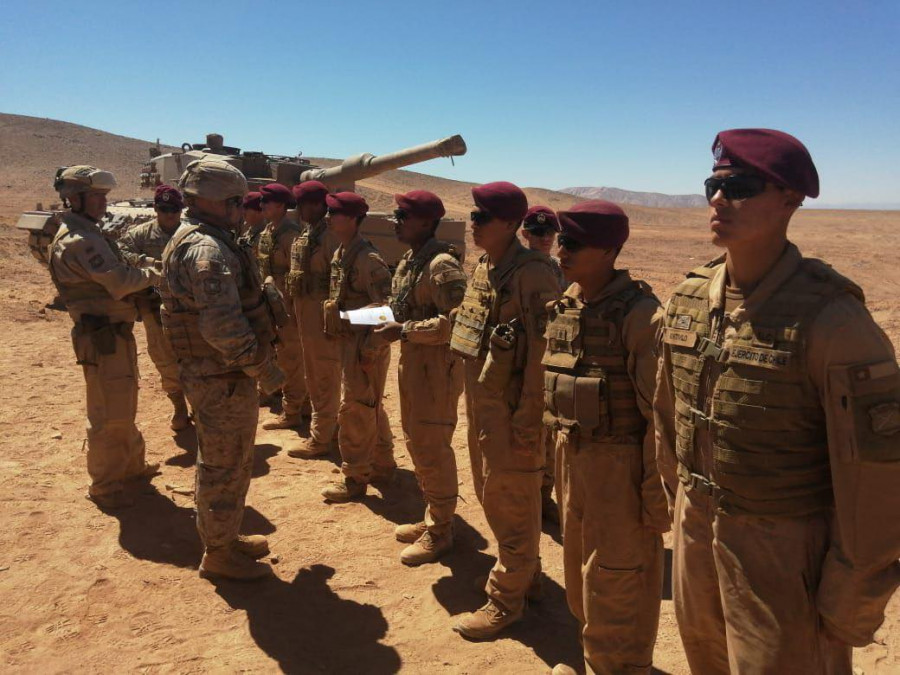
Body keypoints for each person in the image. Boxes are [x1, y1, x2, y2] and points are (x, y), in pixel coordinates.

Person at [654, 128, 900, 673]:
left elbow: (878, 473)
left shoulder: (831, 319)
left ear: (791, 199)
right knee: (707, 658)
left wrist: (856, 589)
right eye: (712, 186)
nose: (719, 200)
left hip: (783, 543)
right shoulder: (690, 297)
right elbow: (668, 409)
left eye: (739, 186)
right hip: (697, 524)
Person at [543, 200, 668, 675]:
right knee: (580, 577)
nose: (561, 250)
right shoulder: (569, 304)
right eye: (560, 240)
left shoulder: (641, 317)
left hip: (621, 470)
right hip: (572, 458)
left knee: (618, 580)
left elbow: (661, 418)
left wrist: (655, 498)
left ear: (610, 251)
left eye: (573, 243)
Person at [161, 158, 284, 580]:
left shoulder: (211, 239)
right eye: (235, 201)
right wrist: (264, 369)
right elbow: (223, 328)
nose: (239, 209)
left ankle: (225, 538)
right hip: (220, 375)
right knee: (223, 465)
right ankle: (218, 554)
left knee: (228, 460)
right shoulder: (207, 250)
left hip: (220, 373)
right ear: (218, 202)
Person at [449, 181, 560, 639]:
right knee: (490, 491)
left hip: (514, 410)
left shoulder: (533, 273)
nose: (472, 224)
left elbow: (543, 356)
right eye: (472, 215)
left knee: (512, 499)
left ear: (511, 225)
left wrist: (529, 420)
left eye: (481, 217)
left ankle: (505, 600)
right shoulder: (487, 267)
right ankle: (525, 576)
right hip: (484, 400)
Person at [47, 165, 159, 509]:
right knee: (108, 412)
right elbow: (119, 281)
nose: (103, 203)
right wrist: (154, 273)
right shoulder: (81, 240)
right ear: (75, 197)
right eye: (96, 196)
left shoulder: (89, 231)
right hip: (103, 336)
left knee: (122, 403)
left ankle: (130, 468)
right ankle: (106, 485)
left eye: (104, 196)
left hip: (112, 334)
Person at [373, 190, 468, 565]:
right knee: (417, 442)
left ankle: (441, 530)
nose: (395, 221)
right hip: (415, 363)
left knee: (432, 446)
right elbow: (399, 310)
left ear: (426, 222)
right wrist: (363, 319)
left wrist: (405, 330)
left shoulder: (441, 266)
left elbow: (457, 323)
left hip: (436, 370)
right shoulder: (411, 261)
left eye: (403, 215)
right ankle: (434, 515)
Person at [320, 191, 395, 502]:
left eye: (334, 213)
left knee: (354, 409)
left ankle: (354, 477)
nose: (328, 217)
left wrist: (347, 318)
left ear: (352, 219)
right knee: (367, 404)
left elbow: (388, 311)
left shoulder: (367, 259)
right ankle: (384, 460)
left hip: (367, 345)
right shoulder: (342, 253)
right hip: (351, 342)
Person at [118, 184, 189, 431]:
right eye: (164, 209)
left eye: (175, 209)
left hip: (191, 307)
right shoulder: (141, 234)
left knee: (197, 355)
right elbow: (121, 251)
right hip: (154, 305)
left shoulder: (191, 233)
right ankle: (179, 407)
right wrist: (149, 263)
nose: (170, 214)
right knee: (163, 357)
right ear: (156, 209)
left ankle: (202, 407)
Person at [284, 181, 343, 459]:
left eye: (304, 205)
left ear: (319, 205)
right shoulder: (307, 233)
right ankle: (323, 426)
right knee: (313, 374)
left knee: (324, 378)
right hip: (306, 317)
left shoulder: (330, 237)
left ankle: (321, 438)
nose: (299, 211)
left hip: (323, 320)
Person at [522, 204, 566, 523]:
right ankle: (522, 495)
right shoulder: (514, 268)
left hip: (551, 362)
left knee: (548, 431)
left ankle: (543, 494)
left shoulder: (559, 269)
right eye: (537, 232)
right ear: (525, 233)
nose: (544, 238)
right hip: (519, 362)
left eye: (549, 232)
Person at [257, 183, 310, 430]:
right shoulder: (270, 231)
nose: (262, 206)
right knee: (284, 357)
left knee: (291, 360)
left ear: (280, 205)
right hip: (273, 305)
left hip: (286, 308)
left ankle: (292, 412)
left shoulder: (291, 235)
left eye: (267, 202)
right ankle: (302, 406)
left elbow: (297, 277)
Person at [237, 191, 265, 259]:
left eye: (247, 208)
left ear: (259, 212)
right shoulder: (249, 231)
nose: (243, 212)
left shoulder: (264, 236)